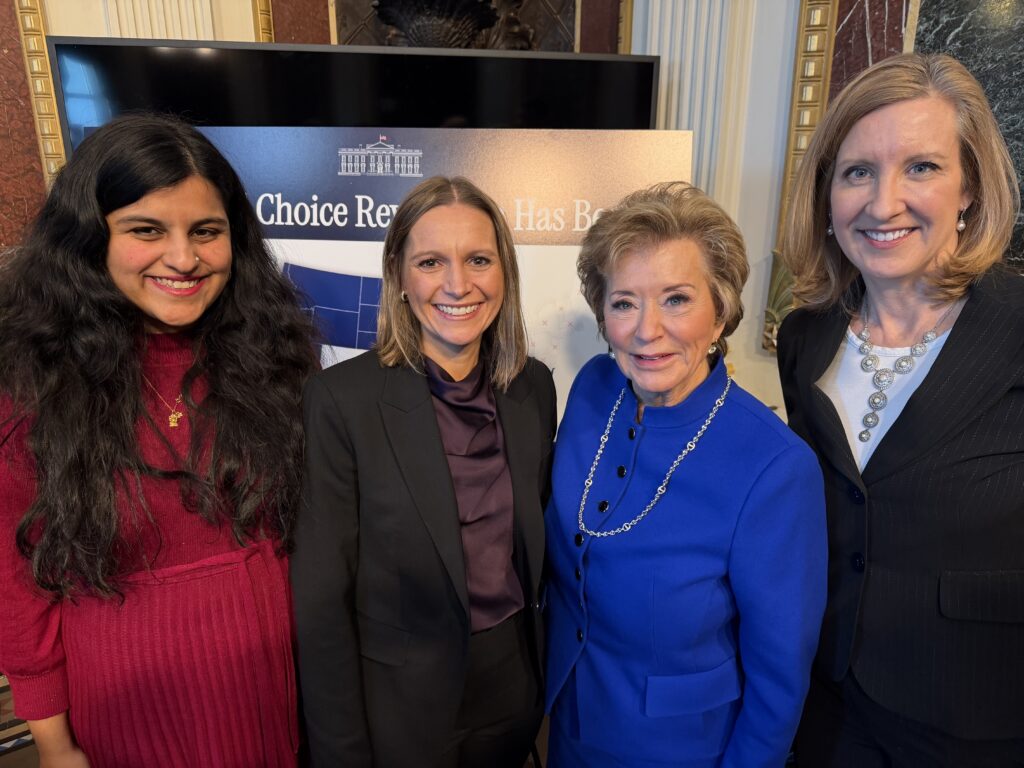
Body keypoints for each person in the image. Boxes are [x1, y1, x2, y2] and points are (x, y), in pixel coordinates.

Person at [0, 114, 319, 768]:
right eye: (146, 230)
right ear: (90, 238)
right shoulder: (31, 384)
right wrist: (56, 748)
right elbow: (20, 586)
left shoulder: (277, 357)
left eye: (206, 231)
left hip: (276, 687)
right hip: (126, 703)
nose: (183, 258)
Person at [777, 52, 1024, 765]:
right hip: (826, 708)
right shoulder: (804, 338)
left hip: (981, 718)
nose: (883, 204)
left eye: (921, 167)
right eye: (857, 172)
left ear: (970, 187)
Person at [545, 181, 827, 767]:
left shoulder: (775, 467)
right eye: (624, 302)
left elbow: (780, 678)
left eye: (676, 299)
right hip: (567, 723)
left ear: (720, 311)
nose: (647, 330)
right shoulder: (593, 389)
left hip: (682, 747)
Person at [292, 176, 555, 768]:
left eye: (479, 259)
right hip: (398, 713)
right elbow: (321, 601)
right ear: (399, 277)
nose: (458, 284)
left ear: (504, 272)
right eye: (431, 262)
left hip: (512, 695)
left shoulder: (533, 386)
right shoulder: (341, 400)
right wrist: (340, 752)